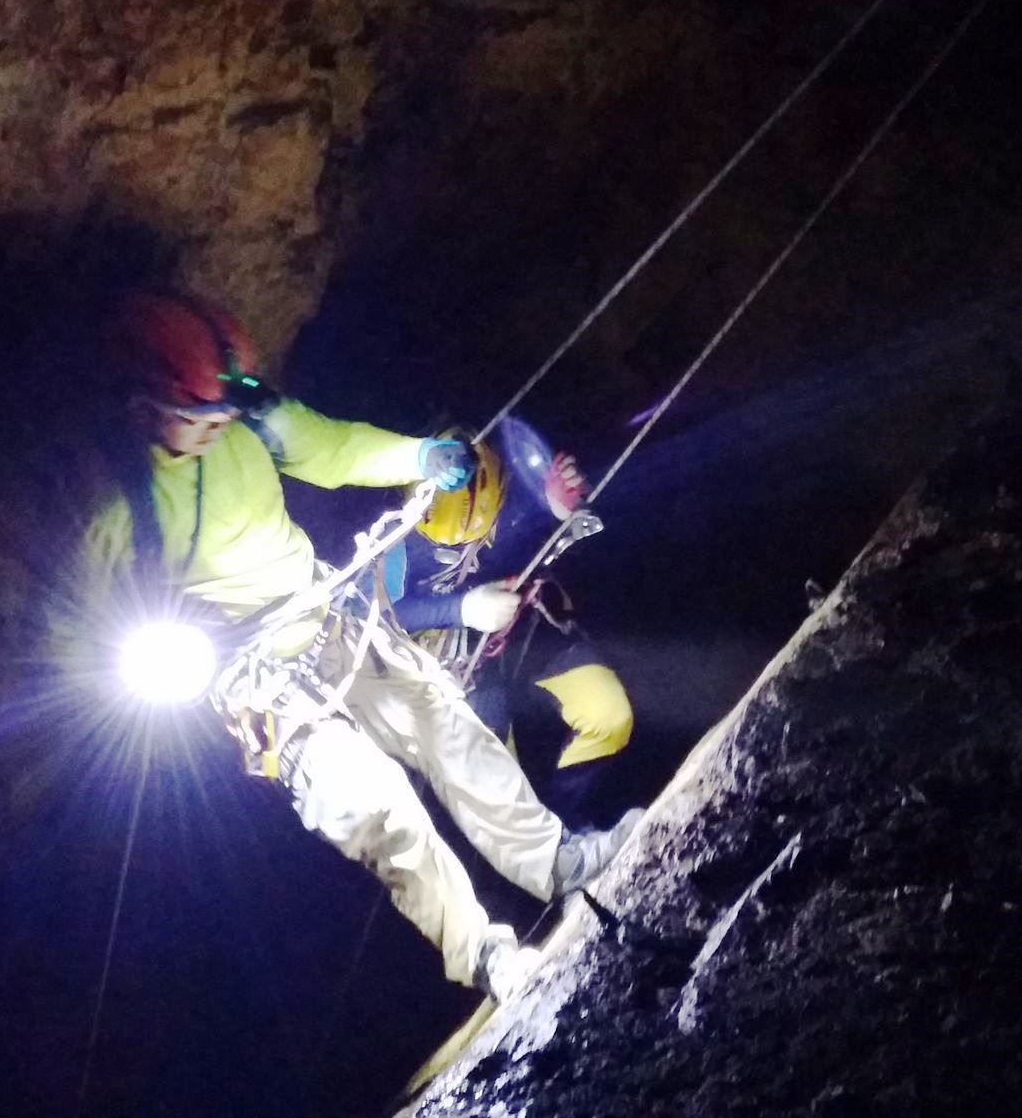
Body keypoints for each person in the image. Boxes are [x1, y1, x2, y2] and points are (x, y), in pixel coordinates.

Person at [55, 288, 640, 999]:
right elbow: (76, 634)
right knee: (378, 807)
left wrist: (420, 458)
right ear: (141, 409)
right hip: (256, 675)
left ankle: (561, 863)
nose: (219, 427)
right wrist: (140, 663)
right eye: (199, 418)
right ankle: (488, 956)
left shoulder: (250, 421)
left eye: (224, 411)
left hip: (326, 610)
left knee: (445, 723)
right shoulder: (116, 510)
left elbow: (329, 447)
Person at [378, 427, 637, 821]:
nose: (460, 550)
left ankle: (571, 828)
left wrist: (557, 510)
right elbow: (380, 614)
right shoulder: (393, 540)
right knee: (499, 795)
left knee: (607, 716)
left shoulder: (500, 495)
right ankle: (542, 861)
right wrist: (463, 609)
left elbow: (525, 527)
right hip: (458, 671)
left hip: (522, 630)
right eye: (447, 547)